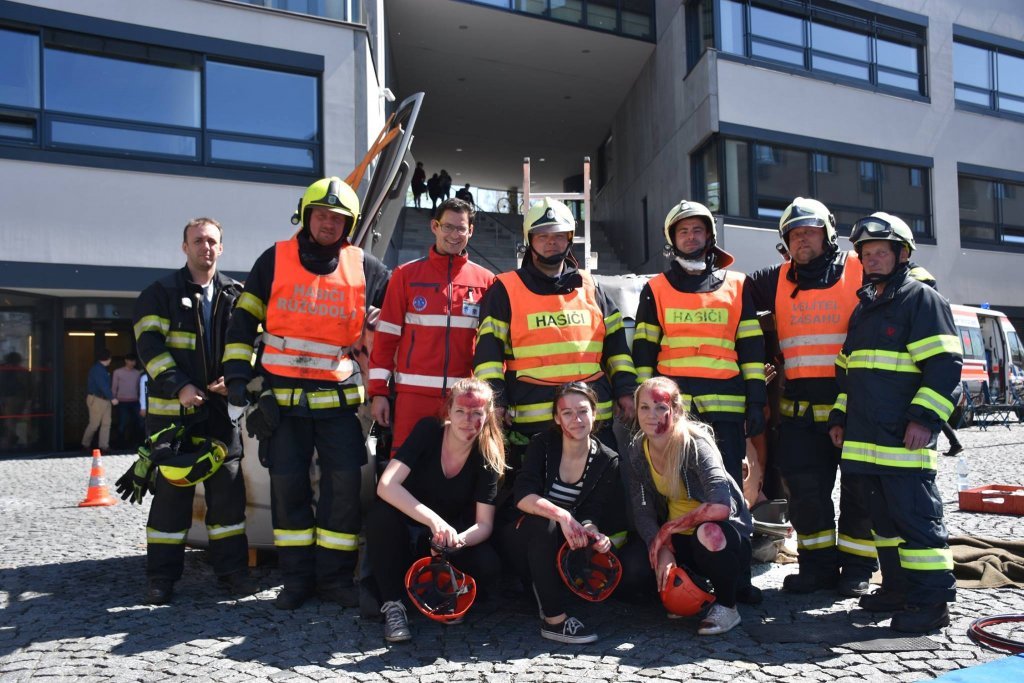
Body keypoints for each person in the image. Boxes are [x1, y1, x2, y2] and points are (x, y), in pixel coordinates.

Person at [223, 176, 390, 610]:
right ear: (305, 215)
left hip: (339, 406)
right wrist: (240, 381)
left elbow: (397, 318)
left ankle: (334, 580)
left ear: (350, 224)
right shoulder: (273, 259)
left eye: (338, 218)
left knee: (344, 491)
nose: (328, 224)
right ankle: (296, 581)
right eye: (320, 215)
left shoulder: (367, 267)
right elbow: (242, 323)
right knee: (287, 490)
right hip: (281, 405)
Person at [828, 212, 962, 633]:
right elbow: (849, 373)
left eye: (881, 252)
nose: (872, 260)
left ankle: (932, 603)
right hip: (865, 443)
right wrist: (839, 416)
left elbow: (944, 366)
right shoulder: (865, 307)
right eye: (866, 254)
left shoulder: (920, 300)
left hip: (904, 442)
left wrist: (924, 420)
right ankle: (897, 589)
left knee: (917, 522)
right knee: (884, 525)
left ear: (902, 254)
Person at [746, 197, 876, 597]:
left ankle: (857, 569)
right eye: (794, 234)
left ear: (829, 233)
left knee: (860, 492)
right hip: (800, 413)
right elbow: (731, 296)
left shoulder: (858, 268)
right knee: (805, 495)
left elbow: (911, 281)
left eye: (810, 231)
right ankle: (817, 568)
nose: (802, 239)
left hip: (855, 407)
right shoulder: (774, 279)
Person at [473, 197, 637, 489]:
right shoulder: (505, 289)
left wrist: (625, 389)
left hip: (593, 419)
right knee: (536, 498)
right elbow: (488, 354)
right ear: (529, 240)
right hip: (532, 422)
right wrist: (495, 401)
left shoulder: (592, 287)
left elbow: (617, 349)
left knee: (603, 498)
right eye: (543, 236)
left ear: (570, 239)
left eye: (559, 235)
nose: (551, 242)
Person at [132, 217, 253, 604]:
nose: (206, 247)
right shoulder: (159, 294)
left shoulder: (237, 294)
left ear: (222, 248)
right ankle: (161, 578)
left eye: (212, 241)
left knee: (228, 500)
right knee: (171, 501)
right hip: (174, 418)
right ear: (185, 247)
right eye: (198, 240)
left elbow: (253, 343)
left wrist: (235, 379)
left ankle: (232, 574)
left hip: (219, 415)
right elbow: (149, 348)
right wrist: (180, 386)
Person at [632, 200, 766, 486]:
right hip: (675, 407)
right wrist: (645, 405)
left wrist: (756, 401)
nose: (690, 236)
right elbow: (644, 352)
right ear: (672, 239)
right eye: (683, 231)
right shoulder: (656, 288)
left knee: (725, 483)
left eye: (697, 230)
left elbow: (752, 351)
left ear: (709, 236)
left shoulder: (737, 286)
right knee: (679, 484)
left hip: (727, 409)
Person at [365, 378, 505, 643]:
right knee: (380, 518)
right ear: (448, 410)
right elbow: (386, 485)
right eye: (461, 411)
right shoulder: (429, 430)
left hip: (446, 539)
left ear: (487, 416)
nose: (468, 420)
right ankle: (393, 605)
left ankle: (444, 592)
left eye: (476, 413)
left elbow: (484, 524)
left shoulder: (487, 453)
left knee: (488, 564)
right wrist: (434, 521)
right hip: (405, 526)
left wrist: (456, 540)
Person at [623, 377, 756, 636]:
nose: (652, 415)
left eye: (661, 407)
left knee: (709, 533)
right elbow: (642, 508)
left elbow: (720, 506)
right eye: (644, 407)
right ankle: (691, 589)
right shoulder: (637, 448)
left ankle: (727, 606)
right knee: (632, 571)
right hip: (678, 541)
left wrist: (668, 529)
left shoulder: (695, 443)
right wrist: (660, 546)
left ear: (676, 410)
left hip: (721, 537)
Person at [499, 382, 627, 644]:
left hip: (562, 544)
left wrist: (594, 534)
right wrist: (563, 516)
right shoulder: (542, 444)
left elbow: (592, 511)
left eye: (582, 411)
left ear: (595, 413)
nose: (576, 419)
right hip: (520, 536)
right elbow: (523, 496)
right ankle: (554, 621)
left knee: (601, 551)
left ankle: (546, 590)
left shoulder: (607, 459)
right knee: (543, 523)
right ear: (557, 418)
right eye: (567, 413)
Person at [369, 198, 494, 455]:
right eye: (447, 227)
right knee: (406, 464)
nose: (454, 235)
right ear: (434, 226)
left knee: (458, 465)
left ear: (470, 231)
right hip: (413, 398)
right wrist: (378, 392)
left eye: (461, 228)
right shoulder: (405, 275)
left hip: (464, 400)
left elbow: (493, 346)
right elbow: (386, 337)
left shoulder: (486, 282)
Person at [81, 348, 113, 453]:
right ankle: (85, 444)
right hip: (97, 399)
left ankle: (104, 446)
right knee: (94, 424)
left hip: (105, 399)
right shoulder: (98, 370)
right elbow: (103, 386)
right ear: (108, 358)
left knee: (106, 423)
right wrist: (112, 397)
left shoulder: (100, 369)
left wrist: (110, 397)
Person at [112, 353, 144, 449]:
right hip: (122, 401)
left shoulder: (137, 373)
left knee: (138, 422)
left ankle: (137, 443)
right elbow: (114, 387)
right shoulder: (118, 372)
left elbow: (139, 387)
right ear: (126, 361)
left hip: (135, 401)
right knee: (122, 423)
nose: (132, 363)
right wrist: (113, 399)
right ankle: (120, 445)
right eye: (130, 361)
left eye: (134, 361)